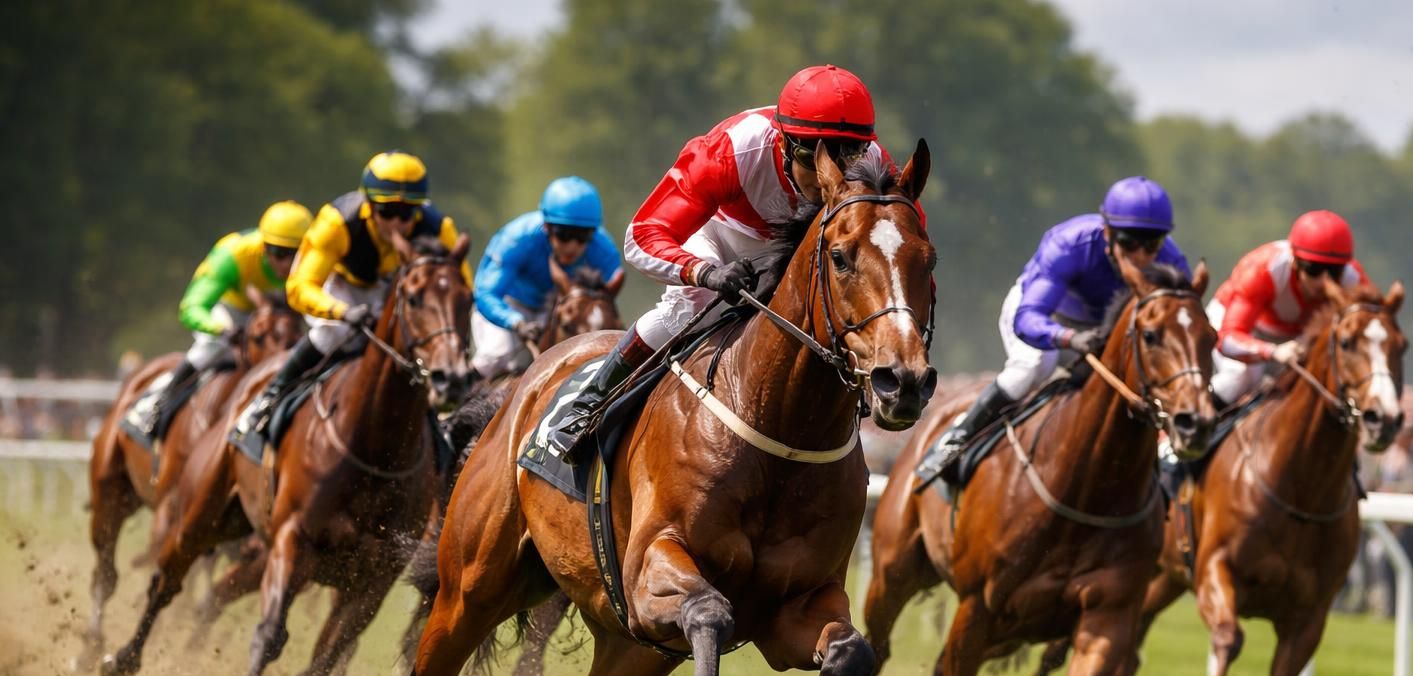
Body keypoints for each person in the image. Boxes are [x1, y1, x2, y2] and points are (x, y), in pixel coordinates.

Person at [542, 64, 906, 462]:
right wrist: (706, 273)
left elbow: (904, 255)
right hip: (723, 242)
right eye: (812, 157)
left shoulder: (876, 165)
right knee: (688, 305)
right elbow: (642, 235)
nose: (828, 176)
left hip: (807, 255)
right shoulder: (734, 147)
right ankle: (587, 404)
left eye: (847, 157)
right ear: (782, 144)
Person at [915, 177, 1190, 482]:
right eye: (1128, 242)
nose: (1140, 255)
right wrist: (1070, 338)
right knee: (1033, 367)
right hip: (1044, 318)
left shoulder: (1172, 262)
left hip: (1103, 331)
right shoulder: (1071, 243)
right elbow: (1028, 318)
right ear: (1108, 231)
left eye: (1152, 245)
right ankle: (957, 438)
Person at [229, 152, 470, 444]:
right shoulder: (337, 223)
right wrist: (341, 311)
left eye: (406, 213)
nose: (397, 223)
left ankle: (442, 417)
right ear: (368, 204)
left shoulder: (439, 227)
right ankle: (269, 397)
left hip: (398, 289)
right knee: (334, 334)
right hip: (342, 286)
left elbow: (462, 286)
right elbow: (299, 287)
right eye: (387, 211)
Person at [124, 201, 313, 439]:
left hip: (286, 318)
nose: (287, 264)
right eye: (279, 253)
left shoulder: (318, 256)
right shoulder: (233, 255)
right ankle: (158, 404)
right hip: (232, 312)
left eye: (296, 254)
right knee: (209, 347)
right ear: (263, 247)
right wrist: (222, 330)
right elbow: (191, 307)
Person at [1208, 210, 1375, 407]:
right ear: (1295, 261)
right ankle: (1184, 428)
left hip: (1294, 339)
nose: (1325, 282)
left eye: (1334, 271)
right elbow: (1227, 339)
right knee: (1242, 377)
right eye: (1314, 269)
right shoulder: (1264, 269)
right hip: (1237, 326)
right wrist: (1272, 352)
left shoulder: (1353, 279)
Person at [471, 176, 624, 380]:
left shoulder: (603, 247)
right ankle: (459, 396)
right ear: (547, 227)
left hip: (555, 310)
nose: (572, 246)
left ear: (593, 233)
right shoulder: (517, 239)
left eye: (582, 237)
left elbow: (606, 299)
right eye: (564, 234)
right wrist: (515, 322)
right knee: (497, 356)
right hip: (509, 306)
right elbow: (486, 293)